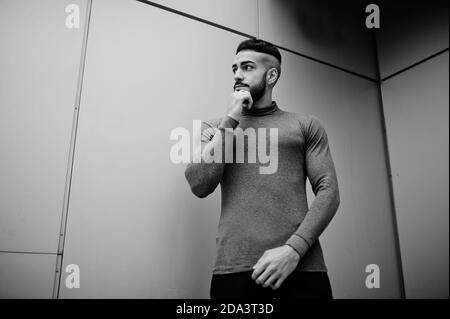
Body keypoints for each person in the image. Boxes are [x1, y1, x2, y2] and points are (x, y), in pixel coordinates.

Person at [184, 39, 340, 299]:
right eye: (234, 68)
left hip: (300, 267)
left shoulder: (306, 125)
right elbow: (199, 185)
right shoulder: (213, 128)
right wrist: (230, 121)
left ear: (271, 75)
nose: (237, 75)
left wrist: (294, 249)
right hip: (233, 272)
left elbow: (329, 191)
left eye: (246, 67)